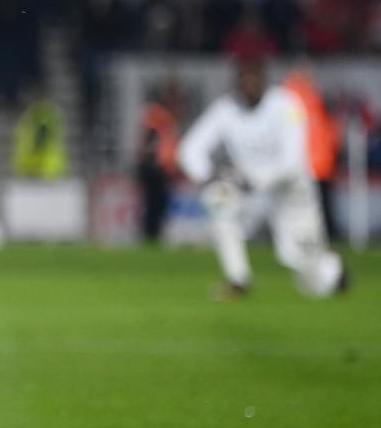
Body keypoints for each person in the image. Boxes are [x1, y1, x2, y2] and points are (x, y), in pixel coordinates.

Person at [178, 58, 348, 299]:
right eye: (244, 81)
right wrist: (208, 176)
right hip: (251, 192)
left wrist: (253, 179)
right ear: (236, 84)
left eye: (254, 80)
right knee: (219, 200)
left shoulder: (287, 105)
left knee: (308, 276)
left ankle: (333, 267)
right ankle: (238, 280)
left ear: (264, 82)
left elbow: (292, 163)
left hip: (291, 194)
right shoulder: (226, 109)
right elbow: (189, 149)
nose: (249, 87)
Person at [283, 68, 342, 242]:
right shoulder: (296, 100)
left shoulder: (311, 100)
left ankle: (316, 237)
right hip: (309, 163)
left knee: (316, 206)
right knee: (311, 206)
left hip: (317, 163)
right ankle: (313, 237)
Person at [136, 83, 182, 244]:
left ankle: (153, 235)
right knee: (155, 204)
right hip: (155, 168)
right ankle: (151, 236)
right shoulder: (159, 115)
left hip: (159, 168)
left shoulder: (161, 116)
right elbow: (151, 139)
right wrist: (153, 163)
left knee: (157, 204)